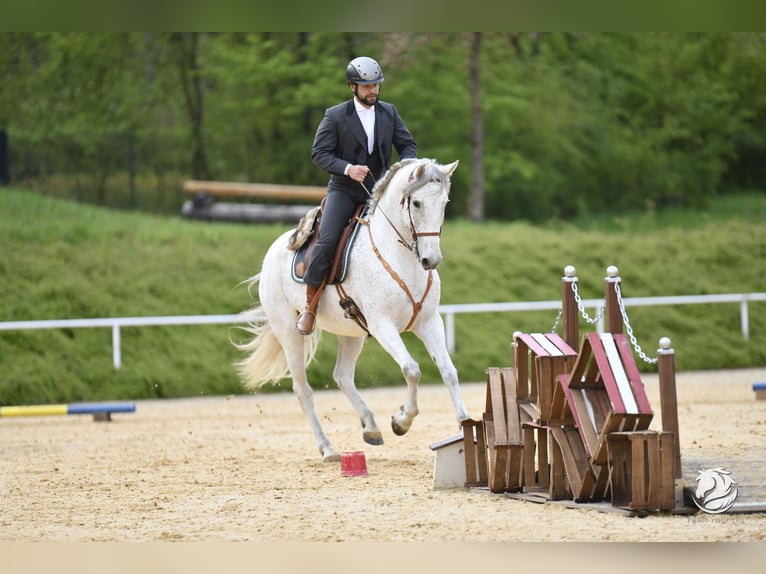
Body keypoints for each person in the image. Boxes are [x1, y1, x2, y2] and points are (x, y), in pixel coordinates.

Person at [296, 56, 418, 335]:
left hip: (380, 191)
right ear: (352, 86)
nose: (373, 91)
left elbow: (407, 145)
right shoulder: (335, 115)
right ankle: (310, 307)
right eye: (366, 86)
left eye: (375, 85)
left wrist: (405, 169)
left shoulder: (389, 112)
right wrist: (348, 169)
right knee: (326, 242)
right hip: (345, 191)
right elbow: (319, 154)